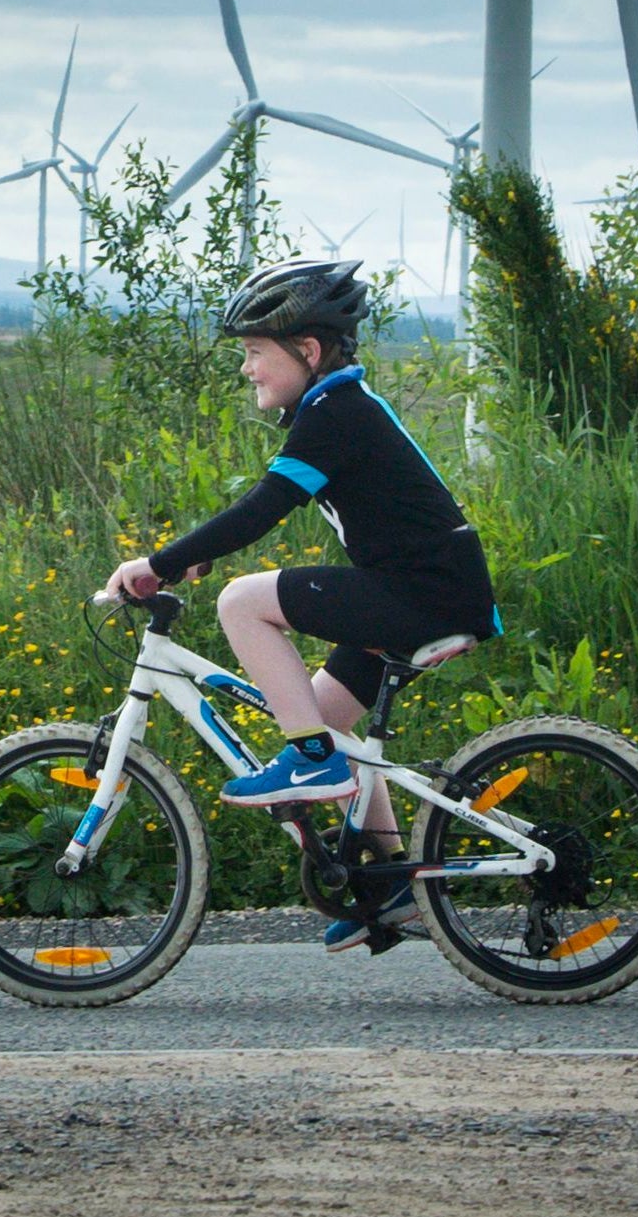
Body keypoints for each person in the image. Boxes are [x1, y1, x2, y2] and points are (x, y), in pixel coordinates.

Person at [101, 256, 501, 951]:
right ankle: (391, 883)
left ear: (307, 351)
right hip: (424, 589)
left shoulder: (335, 411)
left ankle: (312, 758)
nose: (247, 368)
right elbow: (268, 508)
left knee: (241, 603)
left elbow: (263, 506)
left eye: (255, 352)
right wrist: (194, 552)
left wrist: (158, 564)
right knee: (324, 719)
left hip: (421, 593)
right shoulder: (335, 407)